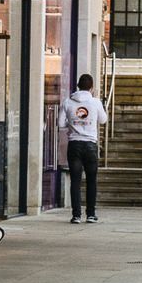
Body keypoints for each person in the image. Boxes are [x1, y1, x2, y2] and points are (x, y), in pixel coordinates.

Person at [59, 73, 107, 223]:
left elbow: (60, 124)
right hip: (91, 145)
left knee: (75, 180)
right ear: (91, 88)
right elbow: (104, 120)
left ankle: (76, 215)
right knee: (92, 180)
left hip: (74, 144)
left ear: (78, 86)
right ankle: (91, 214)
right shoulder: (95, 102)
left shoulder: (68, 102)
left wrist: (72, 124)